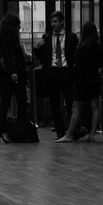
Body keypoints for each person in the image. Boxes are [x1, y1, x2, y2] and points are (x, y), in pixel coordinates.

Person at [33, 10, 78, 140]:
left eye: (55, 21)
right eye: (51, 22)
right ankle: (59, 131)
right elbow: (42, 57)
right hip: (52, 73)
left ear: (62, 22)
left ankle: (72, 130)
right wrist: (37, 48)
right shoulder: (46, 38)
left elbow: (74, 55)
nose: (52, 24)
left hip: (66, 72)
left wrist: (72, 70)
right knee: (54, 104)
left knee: (70, 103)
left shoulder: (71, 37)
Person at [56, 21, 103, 143]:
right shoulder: (98, 47)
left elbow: (79, 67)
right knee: (95, 105)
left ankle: (69, 134)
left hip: (83, 80)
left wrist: (75, 80)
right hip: (95, 78)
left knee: (76, 107)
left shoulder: (82, 47)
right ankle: (92, 134)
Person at [0, 13, 28, 143]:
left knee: (21, 102)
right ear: (11, 26)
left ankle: (19, 129)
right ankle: (3, 131)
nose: (19, 28)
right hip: (9, 76)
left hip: (17, 75)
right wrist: (13, 72)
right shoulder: (5, 39)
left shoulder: (13, 39)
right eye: (17, 25)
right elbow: (8, 57)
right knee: (6, 103)